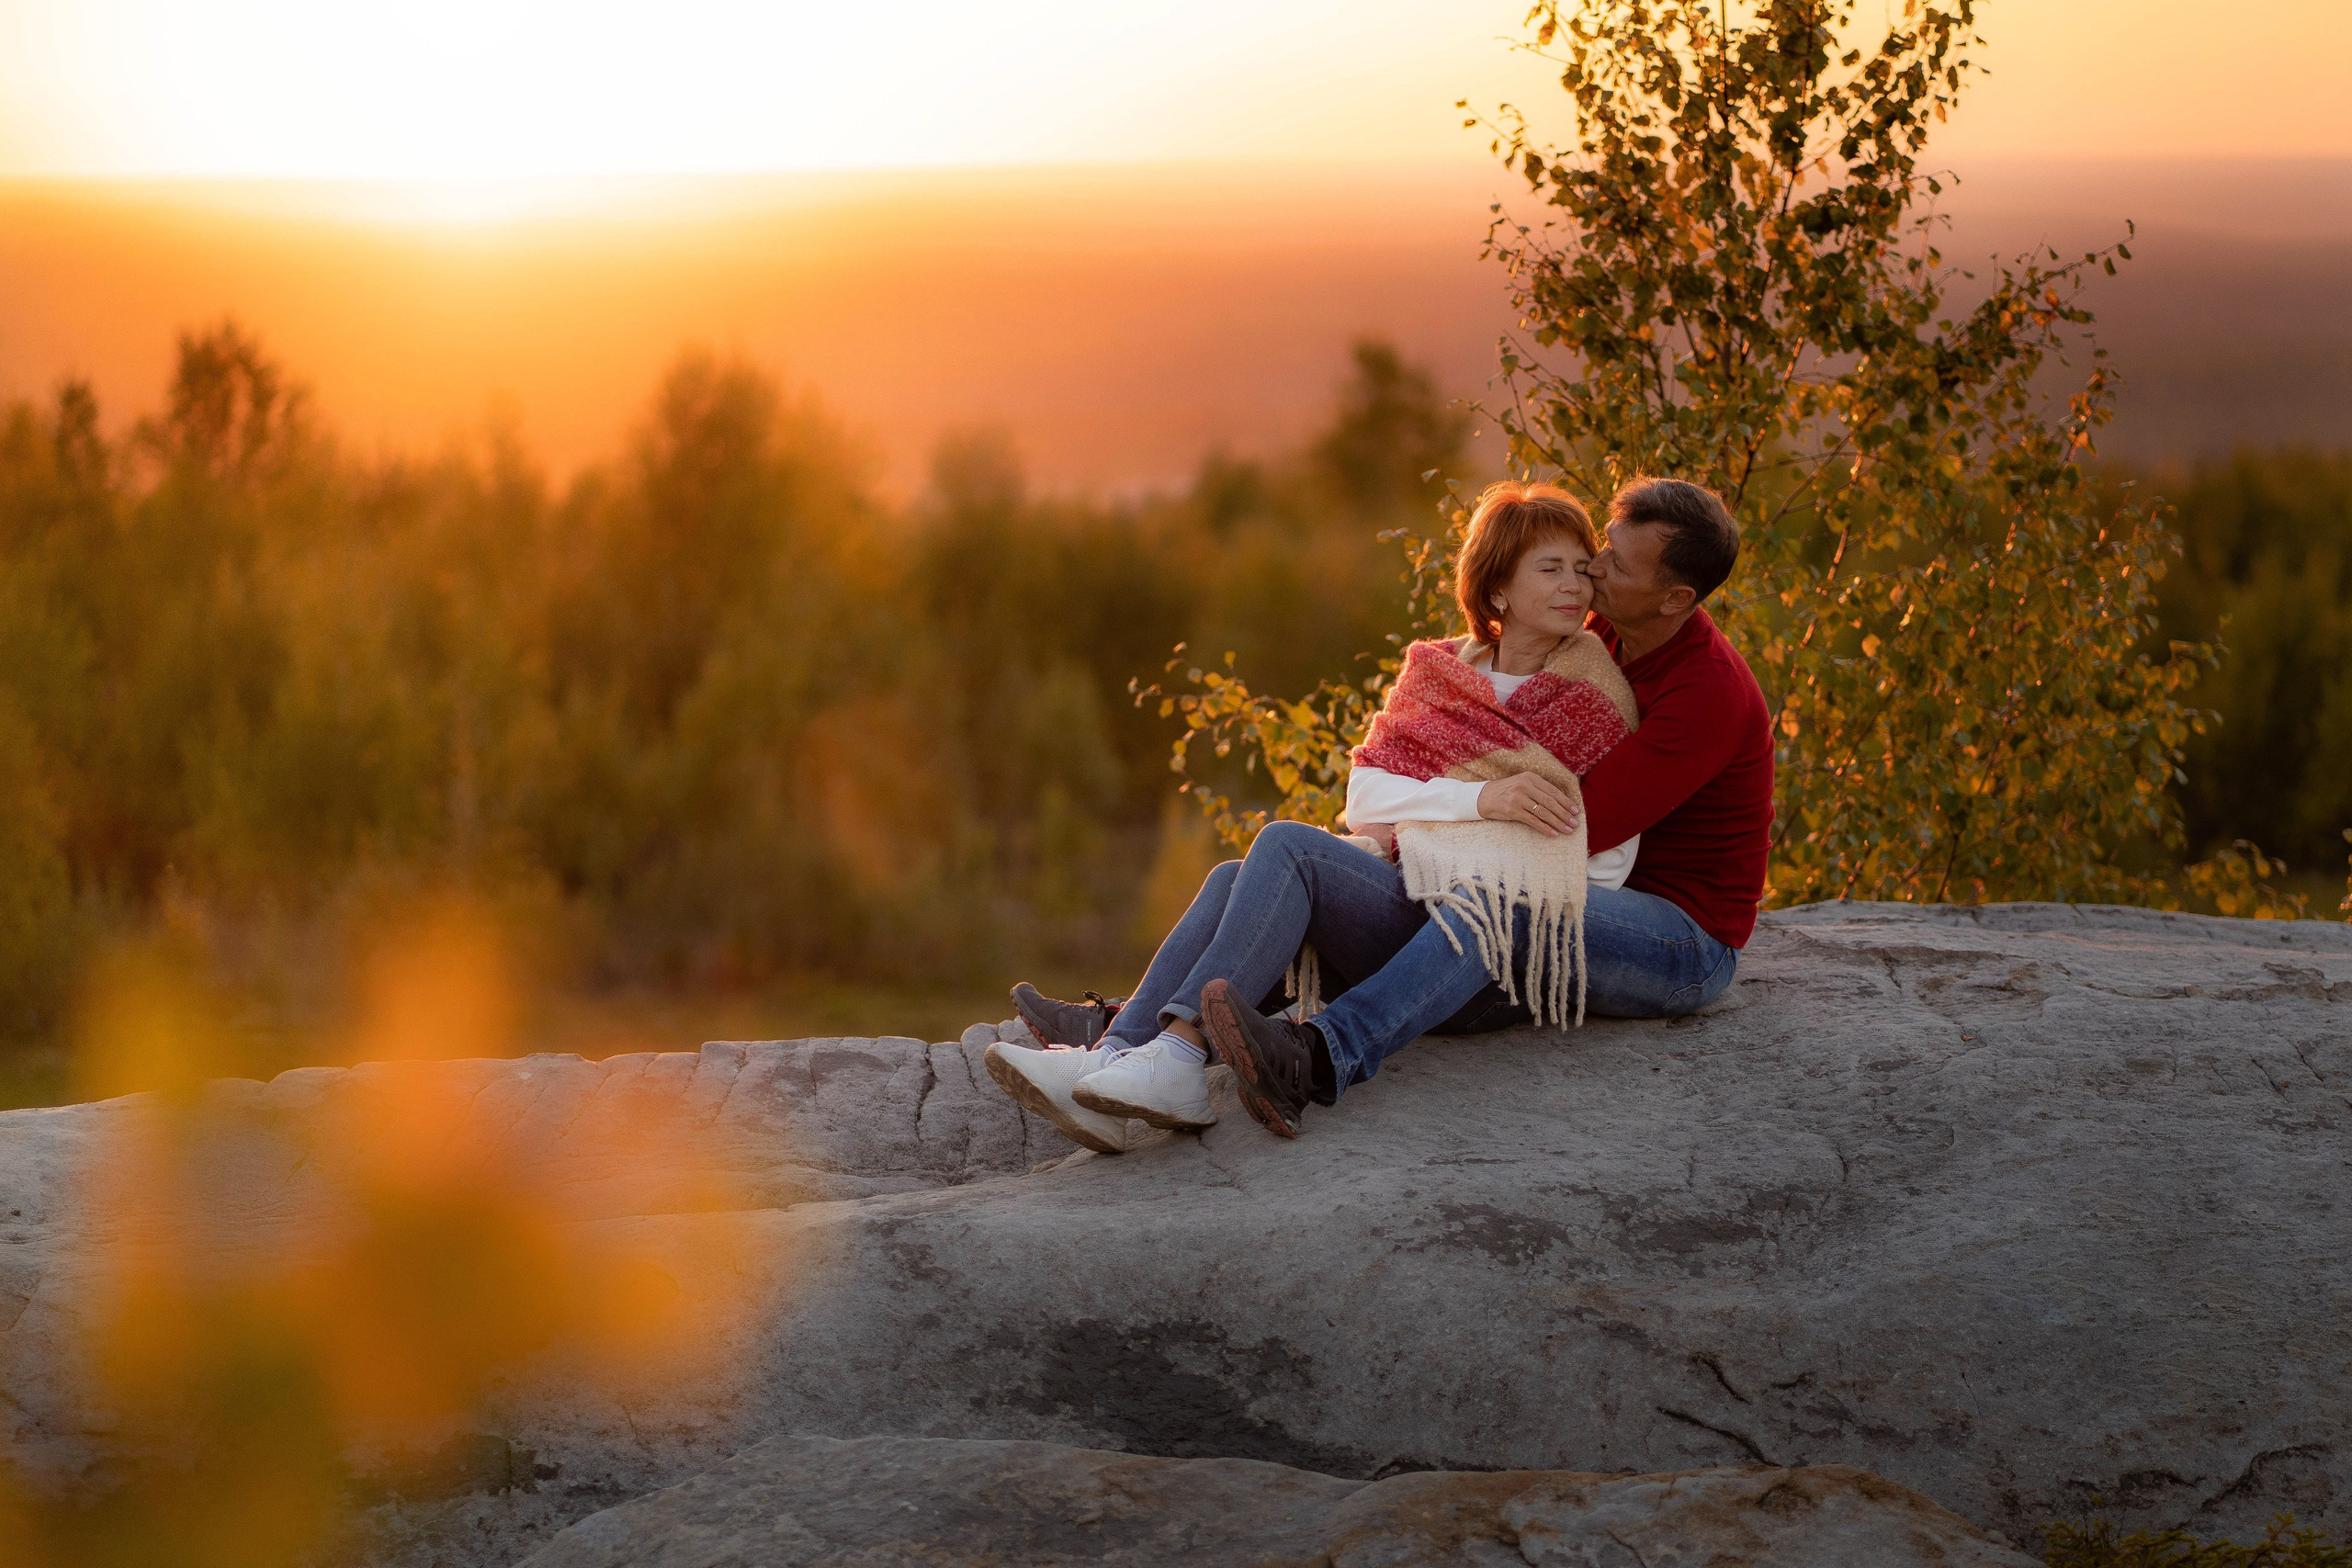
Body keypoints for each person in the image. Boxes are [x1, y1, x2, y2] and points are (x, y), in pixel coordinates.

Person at [986, 481, 1651, 1152]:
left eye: (1580, 566)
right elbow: (1363, 798)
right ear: (1497, 588)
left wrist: (1427, 825)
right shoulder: (1440, 672)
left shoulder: (1594, 696)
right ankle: (1114, 1061)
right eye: (1550, 568)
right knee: (1230, 878)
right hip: (1406, 896)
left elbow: (1601, 859)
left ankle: (1178, 1059)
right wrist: (1483, 802)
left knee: (1289, 848)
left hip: (1474, 951)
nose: (1576, 586)